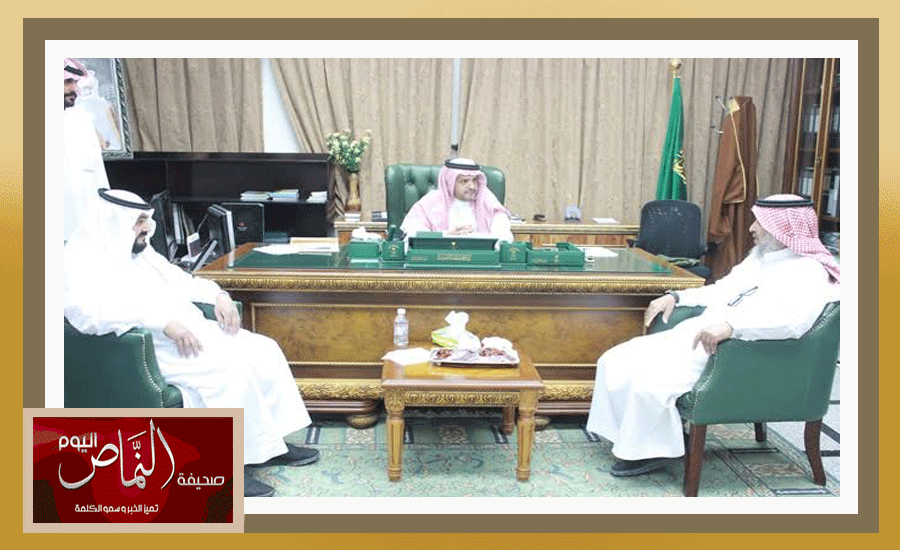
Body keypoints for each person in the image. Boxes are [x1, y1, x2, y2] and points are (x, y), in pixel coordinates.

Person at [64, 189, 319, 498]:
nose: (146, 228)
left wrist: (218, 296)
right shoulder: (80, 259)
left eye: (145, 220)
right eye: (139, 221)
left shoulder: (141, 252)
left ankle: (270, 445)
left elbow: (183, 281)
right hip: (148, 349)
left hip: (191, 333)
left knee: (264, 350)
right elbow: (86, 316)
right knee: (231, 372)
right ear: (113, 222)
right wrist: (160, 322)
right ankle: (227, 467)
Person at [586, 194, 840, 477]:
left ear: (783, 228)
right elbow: (722, 289)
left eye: (760, 222)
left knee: (648, 379)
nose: (752, 228)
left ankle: (652, 451)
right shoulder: (761, 258)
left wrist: (733, 327)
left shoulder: (808, 271)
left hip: (737, 351)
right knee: (616, 359)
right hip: (703, 333)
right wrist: (677, 297)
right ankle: (643, 440)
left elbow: (792, 323)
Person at [400, 158, 513, 242]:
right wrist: (445, 235)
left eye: (474, 180)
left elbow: (503, 236)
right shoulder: (430, 201)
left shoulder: (487, 200)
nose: (472, 187)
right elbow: (413, 232)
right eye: (464, 181)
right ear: (450, 182)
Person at [63, 58, 109, 241]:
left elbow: (97, 175)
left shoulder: (81, 120)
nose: (74, 89)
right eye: (67, 82)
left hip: (84, 225)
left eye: (75, 82)